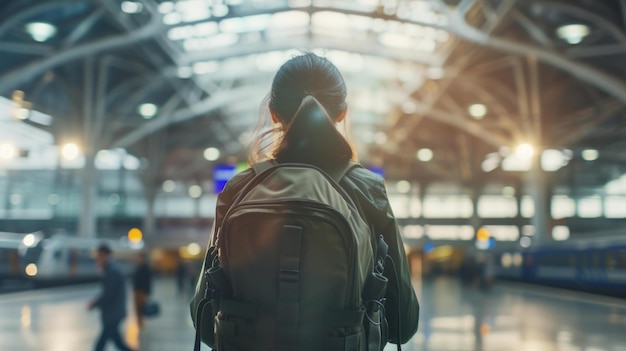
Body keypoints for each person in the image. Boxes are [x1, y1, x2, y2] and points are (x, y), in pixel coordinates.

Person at [191, 52, 420, 347]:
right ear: (342, 113)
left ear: (273, 113)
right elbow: (403, 323)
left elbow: (205, 322)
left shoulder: (240, 188)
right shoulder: (366, 188)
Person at [88, 244, 134, 351]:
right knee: (118, 343)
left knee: (100, 345)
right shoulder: (112, 268)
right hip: (114, 313)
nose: (97, 259)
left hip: (113, 314)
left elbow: (108, 294)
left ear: (104, 255)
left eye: (98, 256)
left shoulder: (112, 271)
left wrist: (94, 303)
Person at [132, 252, 152, 329]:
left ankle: (140, 324)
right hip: (136, 290)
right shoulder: (138, 267)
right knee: (137, 308)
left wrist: (147, 292)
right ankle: (139, 323)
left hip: (142, 291)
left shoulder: (145, 268)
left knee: (141, 308)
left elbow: (148, 281)